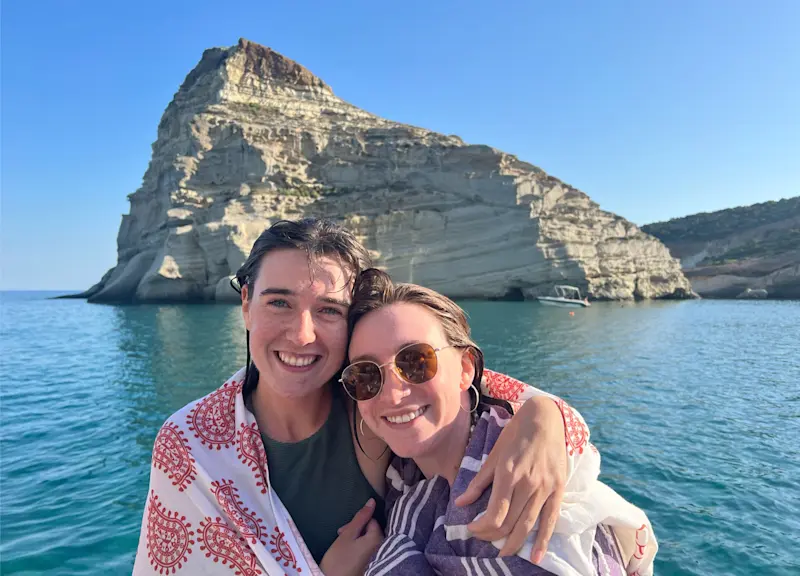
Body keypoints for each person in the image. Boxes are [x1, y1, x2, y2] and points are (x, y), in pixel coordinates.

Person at [133, 218, 599, 576]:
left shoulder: (373, 398)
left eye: (329, 310)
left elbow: (479, 388)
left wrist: (544, 417)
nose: (302, 334)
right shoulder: (191, 445)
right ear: (246, 305)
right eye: (279, 302)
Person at [343, 269, 658, 576]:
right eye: (366, 375)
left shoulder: (538, 498)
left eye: (415, 361)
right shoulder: (404, 487)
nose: (393, 393)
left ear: (466, 369)